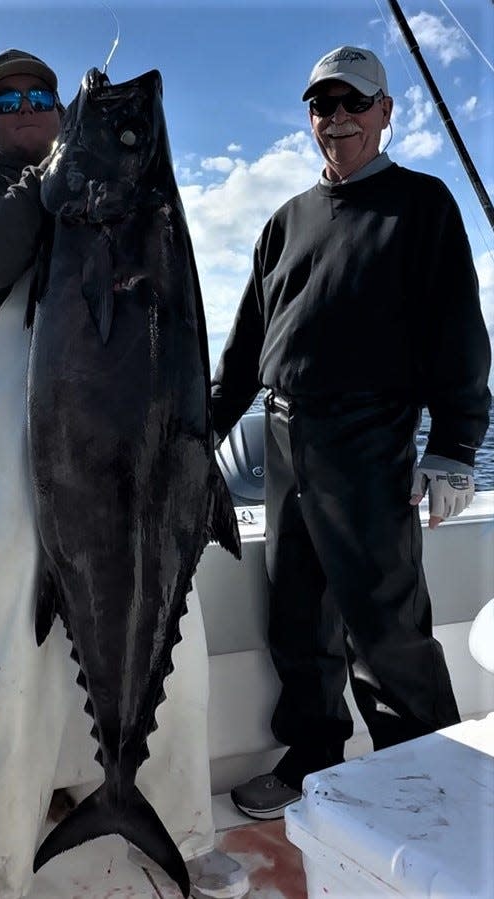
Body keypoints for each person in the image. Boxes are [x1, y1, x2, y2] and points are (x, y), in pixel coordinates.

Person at [0, 48, 248, 899]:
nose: (28, 106)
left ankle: (175, 827)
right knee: (8, 641)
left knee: (176, 626)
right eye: (7, 97)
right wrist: (67, 171)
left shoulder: (122, 208)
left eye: (43, 94)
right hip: (16, 451)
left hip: (137, 451)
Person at [211, 45, 492, 820]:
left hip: (370, 437)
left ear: (385, 112)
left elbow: (458, 336)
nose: (336, 119)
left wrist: (455, 446)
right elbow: (242, 350)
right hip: (282, 437)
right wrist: (195, 429)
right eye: (321, 106)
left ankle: (430, 778)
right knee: (297, 614)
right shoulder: (284, 221)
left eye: (353, 104)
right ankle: (311, 757)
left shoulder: (424, 205)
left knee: (385, 622)